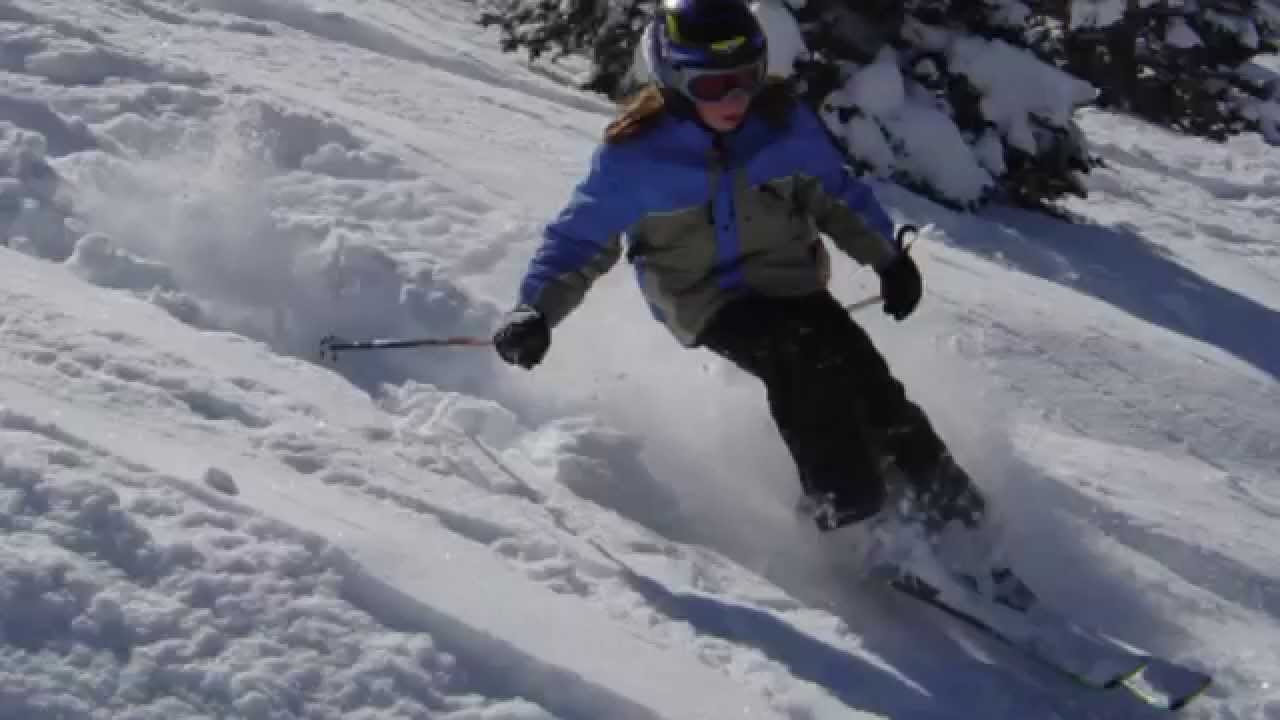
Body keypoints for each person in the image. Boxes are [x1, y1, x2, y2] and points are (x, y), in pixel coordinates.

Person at [492, 0, 986, 537]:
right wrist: (535, 311)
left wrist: (888, 259)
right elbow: (579, 241)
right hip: (704, 298)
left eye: (745, 79)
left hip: (790, 282)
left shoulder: (781, 127)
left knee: (865, 375)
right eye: (712, 86)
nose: (734, 99)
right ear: (674, 82)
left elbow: (836, 196)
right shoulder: (636, 159)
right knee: (799, 358)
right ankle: (848, 510)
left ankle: (950, 507)